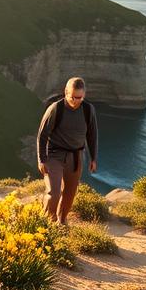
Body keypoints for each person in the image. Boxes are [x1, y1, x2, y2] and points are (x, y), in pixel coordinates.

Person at [36, 76, 98, 224]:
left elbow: (92, 135)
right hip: (54, 156)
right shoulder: (55, 109)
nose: (76, 101)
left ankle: (62, 222)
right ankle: (47, 225)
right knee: (54, 193)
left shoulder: (88, 110)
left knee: (70, 193)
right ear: (65, 92)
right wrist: (41, 159)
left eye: (80, 97)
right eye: (73, 97)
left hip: (76, 157)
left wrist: (93, 158)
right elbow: (42, 135)